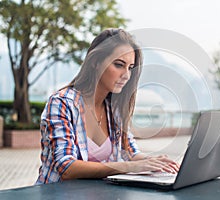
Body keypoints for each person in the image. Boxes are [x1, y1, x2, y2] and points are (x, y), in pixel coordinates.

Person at [36, 28, 179, 184]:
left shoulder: (114, 109)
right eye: (119, 65)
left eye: (130, 67)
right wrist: (129, 167)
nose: (126, 75)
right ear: (96, 63)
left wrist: (154, 162)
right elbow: (66, 167)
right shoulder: (62, 103)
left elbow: (130, 153)